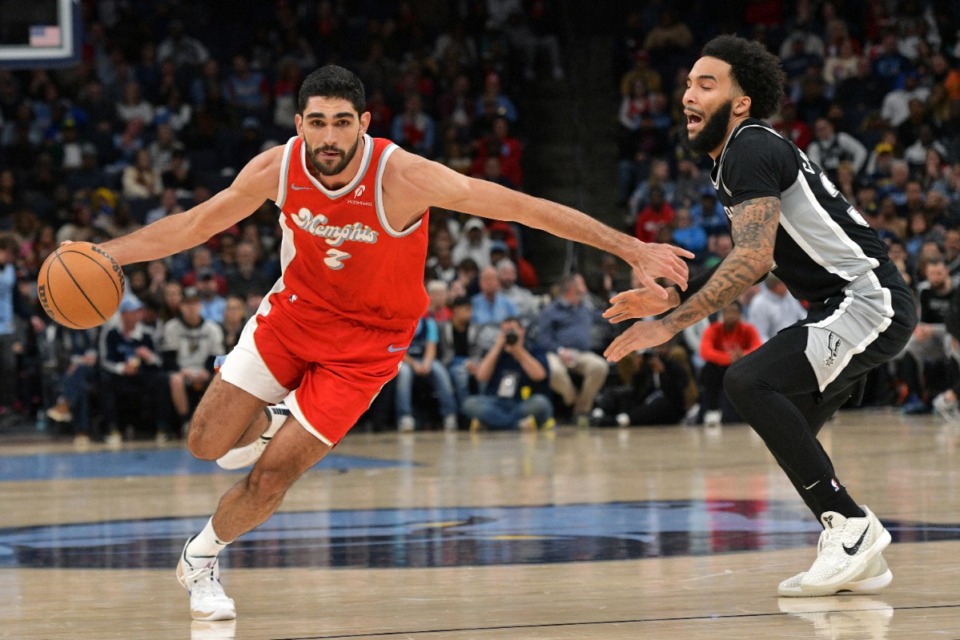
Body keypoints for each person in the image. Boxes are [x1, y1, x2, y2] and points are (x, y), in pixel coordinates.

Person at [87, 65, 691, 621]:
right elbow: (194, 225)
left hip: (369, 347)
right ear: (299, 125)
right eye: (317, 122)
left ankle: (201, 557)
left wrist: (631, 248)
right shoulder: (277, 168)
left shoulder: (403, 177)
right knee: (206, 443)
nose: (328, 136)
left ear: (364, 125)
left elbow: (523, 207)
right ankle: (273, 417)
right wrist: (107, 255)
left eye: (342, 123)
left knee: (270, 478)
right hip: (293, 316)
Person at [602, 36, 916, 598]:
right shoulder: (735, 157)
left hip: (867, 299)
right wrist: (672, 298)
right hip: (846, 304)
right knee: (792, 428)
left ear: (741, 102)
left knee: (747, 379)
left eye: (706, 83)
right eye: (687, 83)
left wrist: (669, 324)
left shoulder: (748, 147)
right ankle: (855, 551)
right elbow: (750, 253)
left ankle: (852, 526)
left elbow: (753, 257)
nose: (687, 95)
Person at [538, 273, 609, 425]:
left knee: (600, 366)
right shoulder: (550, 311)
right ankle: (572, 398)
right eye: (582, 284)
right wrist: (560, 351)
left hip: (581, 354)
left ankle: (581, 410)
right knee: (553, 370)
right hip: (557, 353)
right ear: (572, 288)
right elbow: (543, 340)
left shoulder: (586, 307)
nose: (585, 288)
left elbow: (603, 317)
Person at [460, 317, 553, 430]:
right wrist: (497, 348)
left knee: (541, 403)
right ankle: (516, 425)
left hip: (522, 402)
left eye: (512, 330)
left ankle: (493, 424)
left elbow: (539, 375)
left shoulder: (534, 349)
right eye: (505, 331)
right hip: (496, 402)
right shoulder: (496, 351)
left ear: (522, 331)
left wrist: (519, 352)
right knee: (469, 404)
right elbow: (481, 377)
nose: (509, 335)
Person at [698, 301, 762, 427]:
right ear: (722, 314)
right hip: (720, 368)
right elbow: (705, 352)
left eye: (734, 312)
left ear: (740, 314)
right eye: (727, 312)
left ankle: (755, 411)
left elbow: (758, 347)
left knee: (757, 370)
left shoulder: (748, 329)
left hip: (741, 367)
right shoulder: (713, 329)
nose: (731, 315)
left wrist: (742, 355)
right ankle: (713, 410)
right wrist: (729, 358)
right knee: (708, 369)